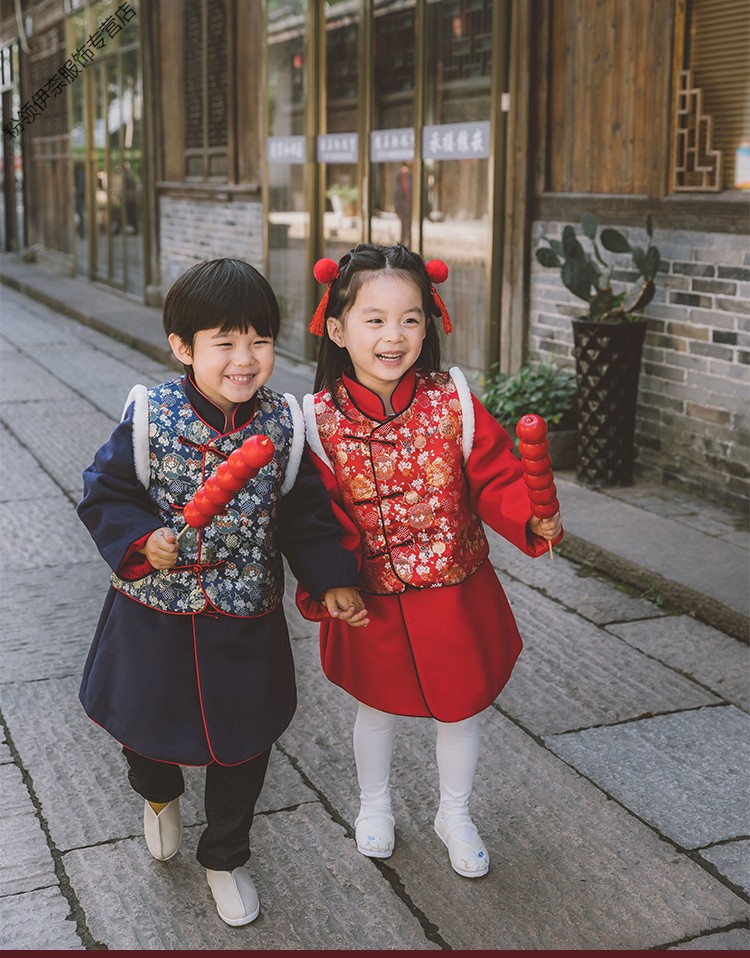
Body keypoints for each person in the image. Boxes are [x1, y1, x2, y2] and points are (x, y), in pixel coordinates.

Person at [77, 258, 368, 926]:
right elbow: (106, 491)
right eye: (224, 343)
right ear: (183, 347)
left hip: (244, 618)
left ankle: (226, 853)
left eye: (259, 341)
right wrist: (142, 540)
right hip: (155, 616)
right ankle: (156, 795)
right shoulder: (151, 417)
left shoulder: (284, 426)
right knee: (143, 732)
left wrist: (334, 581)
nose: (245, 359)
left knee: (245, 743)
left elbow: (306, 515)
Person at [298, 243, 562, 879]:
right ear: (337, 328)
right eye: (375, 319)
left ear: (431, 321)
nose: (395, 335)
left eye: (410, 318)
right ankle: (375, 805)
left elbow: (495, 474)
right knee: (376, 708)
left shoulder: (455, 402)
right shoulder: (315, 421)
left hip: (454, 590)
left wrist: (528, 514)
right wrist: (331, 581)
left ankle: (455, 811)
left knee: (461, 708)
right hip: (372, 597)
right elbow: (313, 515)